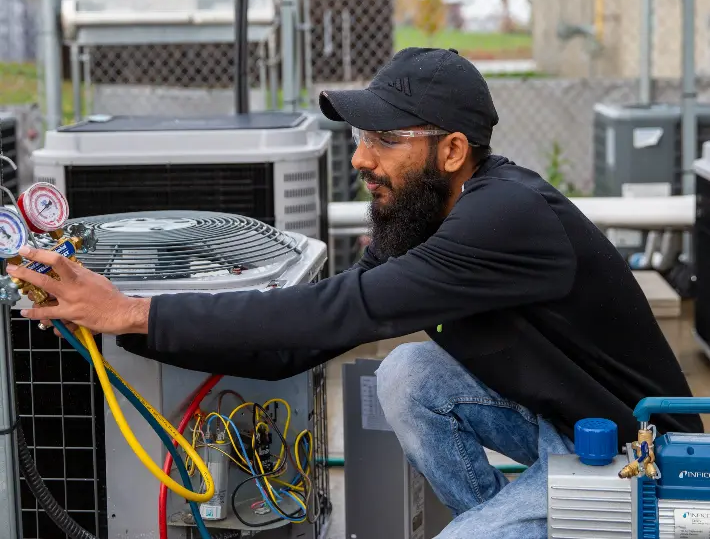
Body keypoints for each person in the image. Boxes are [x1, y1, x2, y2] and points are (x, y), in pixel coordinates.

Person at [9, 47, 701, 539]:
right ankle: (500, 523)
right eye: (362, 136)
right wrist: (129, 326)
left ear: (453, 150)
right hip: (561, 424)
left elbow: (341, 309)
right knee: (406, 375)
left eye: (384, 139)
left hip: (638, 455)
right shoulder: (425, 214)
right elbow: (306, 339)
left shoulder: (506, 219)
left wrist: (132, 309)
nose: (361, 157)